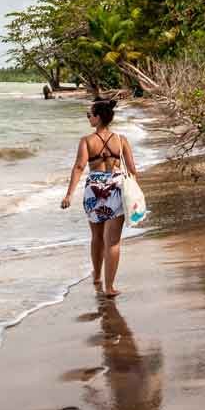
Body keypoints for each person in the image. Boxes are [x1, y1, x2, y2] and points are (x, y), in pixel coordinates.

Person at [60, 99, 138, 296]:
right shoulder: (121, 140)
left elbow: (79, 167)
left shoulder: (87, 141)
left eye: (90, 115)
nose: (88, 118)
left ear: (98, 117)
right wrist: (133, 192)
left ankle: (96, 276)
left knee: (96, 237)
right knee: (112, 241)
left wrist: (69, 194)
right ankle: (109, 287)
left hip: (94, 189)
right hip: (116, 188)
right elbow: (132, 170)